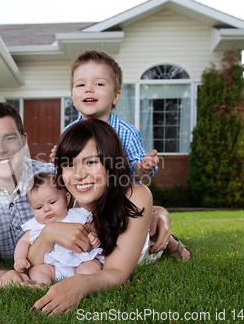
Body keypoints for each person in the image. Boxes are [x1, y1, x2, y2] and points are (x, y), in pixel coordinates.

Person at [0, 102, 172, 287]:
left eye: (9, 138)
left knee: (148, 234)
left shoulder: (52, 176)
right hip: (43, 258)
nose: (0, 149)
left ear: (24, 140)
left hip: (107, 243)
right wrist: (4, 274)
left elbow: (114, 200)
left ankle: (173, 244)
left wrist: (157, 212)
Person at [31, 119, 192, 315]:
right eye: (69, 165)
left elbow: (117, 271)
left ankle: (172, 243)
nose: (79, 175)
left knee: (152, 239)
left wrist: (81, 284)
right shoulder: (63, 197)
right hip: (108, 238)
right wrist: (48, 234)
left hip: (134, 244)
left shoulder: (136, 195)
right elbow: (34, 260)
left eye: (90, 162)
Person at [51, 49, 177, 255]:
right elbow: (64, 171)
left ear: (115, 96)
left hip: (117, 200)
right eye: (81, 85)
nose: (89, 89)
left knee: (129, 232)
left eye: (99, 84)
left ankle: (169, 243)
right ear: (73, 96)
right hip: (86, 201)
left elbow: (136, 180)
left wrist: (142, 169)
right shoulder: (68, 132)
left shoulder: (126, 133)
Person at [14, 172, 103, 285]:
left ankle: (79, 282)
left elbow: (91, 230)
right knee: (36, 271)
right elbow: (23, 242)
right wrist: (20, 258)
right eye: (39, 207)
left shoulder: (77, 215)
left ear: (66, 199)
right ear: (32, 209)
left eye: (52, 202)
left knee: (92, 265)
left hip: (79, 261)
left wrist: (94, 237)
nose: (47, 209)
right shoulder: (35, 225)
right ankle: (42, 285)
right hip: (51, 266)